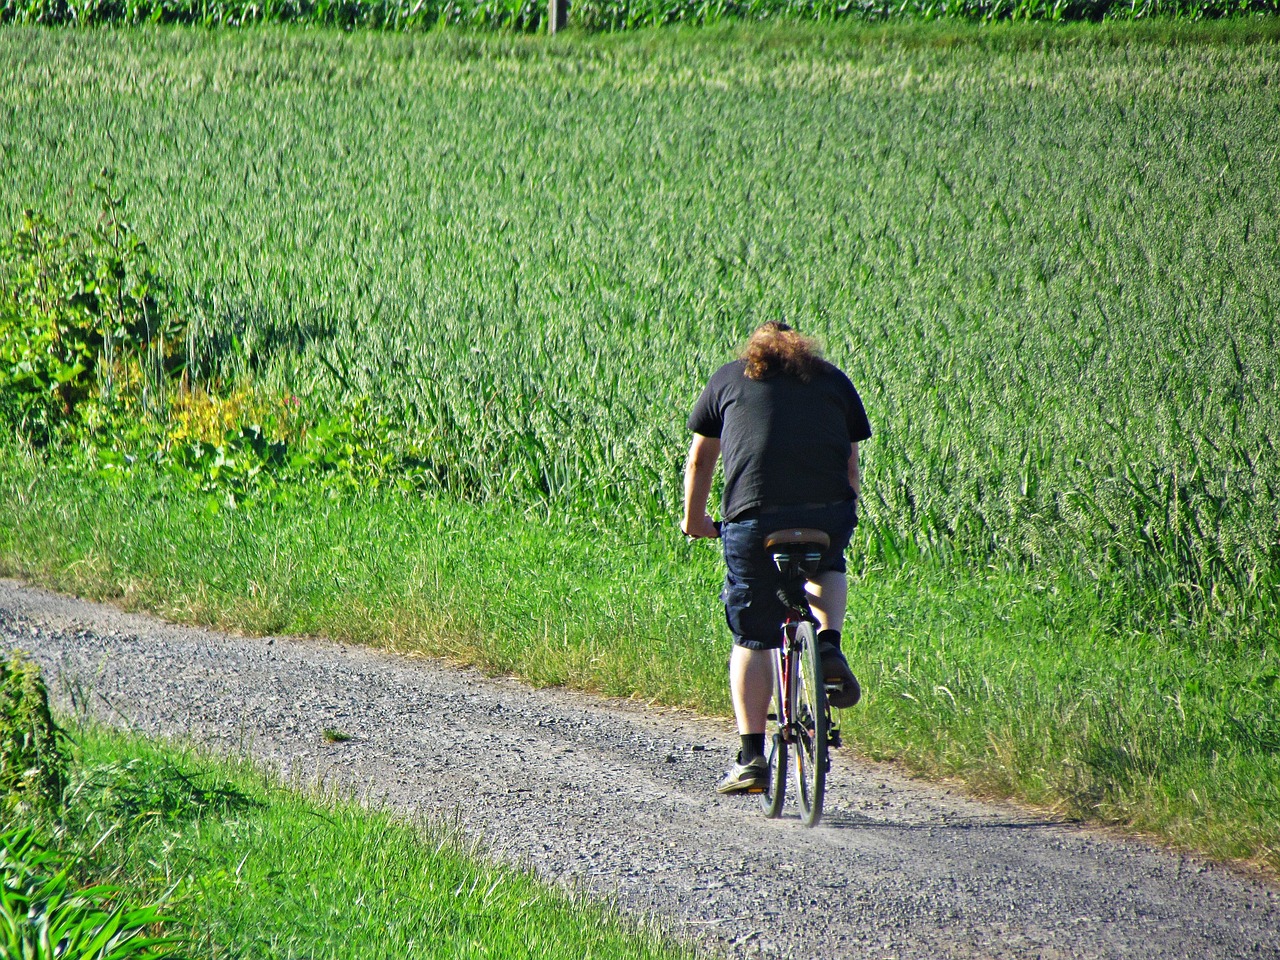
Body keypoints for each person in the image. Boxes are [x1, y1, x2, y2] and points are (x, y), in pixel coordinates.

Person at [681, 321, 871, 794]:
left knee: (753, 634)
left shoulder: (729, 378)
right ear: (803, 351)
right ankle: (828, 643)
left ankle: (751, 758)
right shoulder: (832, 379)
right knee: (829, 564)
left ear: (755, 351)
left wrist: (694, 521)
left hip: (754, 518)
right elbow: (850, 465)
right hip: (826, 513)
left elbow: (701, 459)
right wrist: (838, 518)